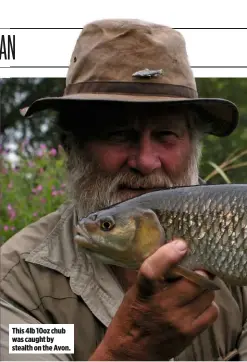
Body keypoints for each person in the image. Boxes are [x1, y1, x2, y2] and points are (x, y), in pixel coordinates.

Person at [0, 18, 244, 361]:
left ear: (194, 147)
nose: (145, 161)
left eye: (165, 136)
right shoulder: (18, 286)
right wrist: (125, 351)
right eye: (119, 134)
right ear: (71, 147)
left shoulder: (239, 236)